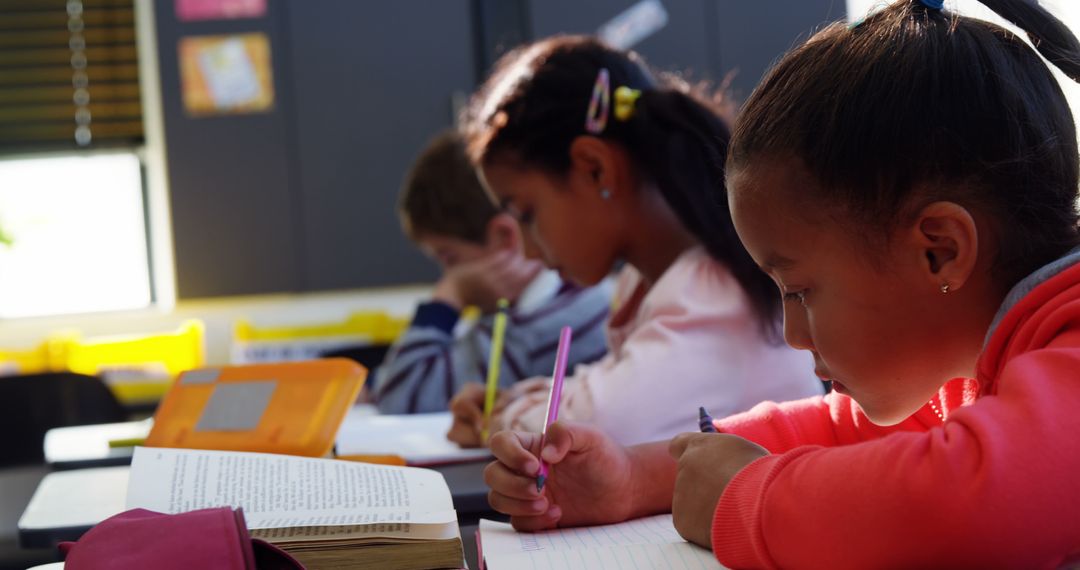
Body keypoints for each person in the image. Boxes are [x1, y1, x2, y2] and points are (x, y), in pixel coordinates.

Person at [481, 1, 1080, 567]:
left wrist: (749, 499)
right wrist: (634, 478)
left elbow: (973, 503)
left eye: (798, 290)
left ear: (939, 251)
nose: (794, 335)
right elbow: (846, 428)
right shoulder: (987, 363)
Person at [447, 36, 821, 447]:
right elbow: (608, 387)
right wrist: (512, 402)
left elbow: (595, 427)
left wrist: (497, 419)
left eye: (526, 213)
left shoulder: (711, 294)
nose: (528, 250)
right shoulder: (657, 280)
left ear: (595, 169)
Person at [371, 130, 612, 414]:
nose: (448, 275)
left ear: (504, 237)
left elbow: (400, 393)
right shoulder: (534, 307)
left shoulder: (544, 326)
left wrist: (450, 295)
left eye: (450, 258)